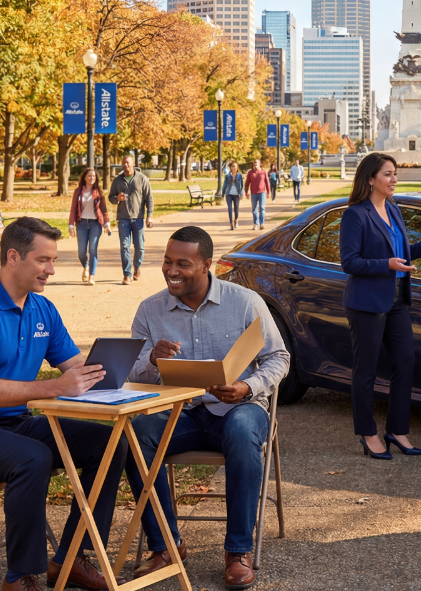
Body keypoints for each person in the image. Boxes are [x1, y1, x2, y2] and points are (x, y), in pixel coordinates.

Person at [0, 218, 127, 591]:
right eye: (43, 260)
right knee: (32, 456)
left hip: (12, 423)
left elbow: (76, 368)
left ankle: (70, 559)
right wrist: (55, 388)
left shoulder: (42, 310)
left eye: (53, 261)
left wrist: (115, 372)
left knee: (110, 443)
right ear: (13, 257)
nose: (51, 270)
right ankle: (20, 577)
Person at [125, 226, 289, 590]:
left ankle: (238, 552)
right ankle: (166, 546)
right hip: (178, 413)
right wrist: (152, 359)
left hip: (237, 409)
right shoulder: (150, 310)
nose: (171, 270)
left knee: (243, 430)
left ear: (206, 265)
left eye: (183, 264)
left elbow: (279, 357)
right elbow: (133, 374)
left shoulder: (245, 301)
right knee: (133, 438)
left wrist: (248, 386)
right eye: (167, 262)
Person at [339, 153, 421, 460]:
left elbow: (402, 254)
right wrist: (386, 264)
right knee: (365, 371)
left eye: (395, 174)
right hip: (366, 304)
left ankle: (397, 431)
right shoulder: (356, 214)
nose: (394, 179)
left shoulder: (393, 208)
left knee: (405, 363)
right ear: (370, 179)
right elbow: (349, 262)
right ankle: (368, 434)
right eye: (388, 174)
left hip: (396, 301)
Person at [108, 154, 153, 285]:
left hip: (138, 219)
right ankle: (127, 274)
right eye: (123, 163)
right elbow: (110, 197)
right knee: (124, 247)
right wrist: (117, 198)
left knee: (139, 247)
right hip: (123, 219)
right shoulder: (117, 180)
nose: (125, 165)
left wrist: (149, 215)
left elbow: (149, 198)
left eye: (127, 163)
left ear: (133, 163)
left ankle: (137, 267)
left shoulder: (142, 179)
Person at [68, 167, 110, 286]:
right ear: (85, 177)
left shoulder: (99, 192)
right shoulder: (78, 191)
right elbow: (73, 209)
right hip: (81, 224)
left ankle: (91, 276)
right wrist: (71, 225)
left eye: (94, 176)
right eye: (90, 176)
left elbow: (104, 210)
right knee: (81, 252)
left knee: (92, 249)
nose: (92, 178)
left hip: (95, 224)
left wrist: (107, 224)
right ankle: (85, 266)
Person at [244, 158, 271, 231]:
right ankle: (256, 224)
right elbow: (247, 183)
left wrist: (269, 192)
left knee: (262, 208)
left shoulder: (264, 171)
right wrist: (246, 192)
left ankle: (262, 224)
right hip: (253, 193)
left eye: (256, 162)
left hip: (262, 193)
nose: (255, 164)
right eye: (254, 162)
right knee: (254, 209)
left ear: (259, 163)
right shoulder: (250, 172)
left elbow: (267, 182)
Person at [222, 160, 244, 230]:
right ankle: (231, 223)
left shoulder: (239, 176)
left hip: (236, 194)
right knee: (230, 209)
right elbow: (225, 185)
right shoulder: (228, 176)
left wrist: (241, 194)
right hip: (229, 194)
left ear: (237, 167)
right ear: (230, 167)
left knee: (236, 209)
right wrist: (223, 194)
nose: (233, 167)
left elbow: (242, 186)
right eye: (232, 166)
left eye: (235, 166)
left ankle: (236, 220)